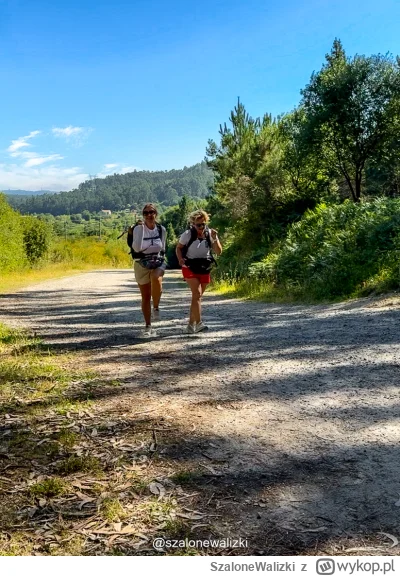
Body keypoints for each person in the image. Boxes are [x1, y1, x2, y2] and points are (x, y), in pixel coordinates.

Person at [176, 209, 222, 334]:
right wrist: (180, 259)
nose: (201, 227)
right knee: (196, 293)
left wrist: (215, 239)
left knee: (197, 297)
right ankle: (199, 323)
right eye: (198, 225)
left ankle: (191, 325)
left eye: (203, 224)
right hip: (189, 266)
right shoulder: (187, 234)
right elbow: (178, 248)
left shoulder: (210, 233)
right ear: (193, 224)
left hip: (204, 266)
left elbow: (218, 252)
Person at [129, 203, 167, 337]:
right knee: (145, 297)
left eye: (151, 212)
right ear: (143, 215)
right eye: (146, 213)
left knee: (156, 279)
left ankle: (156, 307)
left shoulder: (161, 229)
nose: (149, 215)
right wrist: (138, 230)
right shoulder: (139, 229)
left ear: (156, 213)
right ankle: (148, 326)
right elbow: (137, 248)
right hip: (141, 263)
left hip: (157, 261)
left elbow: (163, 249)